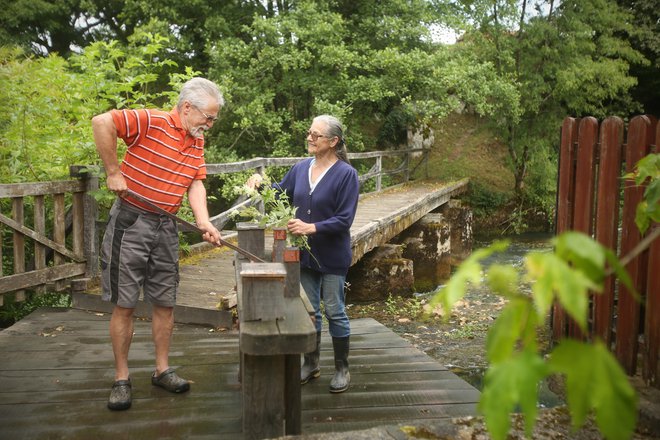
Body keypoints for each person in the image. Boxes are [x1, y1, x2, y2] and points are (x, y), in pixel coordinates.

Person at [92, 77, 224, 411]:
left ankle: (162, 370)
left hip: (166, 225)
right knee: (125, 302)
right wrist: (112, 171)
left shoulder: (196, 141)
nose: (210, 124)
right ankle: (122, 378)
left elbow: (195, 181)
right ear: (186, 107)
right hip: (132, 221)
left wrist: (203, 220)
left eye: (213, 119)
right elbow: (101, 122)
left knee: (165, 300)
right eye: (207, 117)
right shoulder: (151, 120)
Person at [247, 115, 359, 393]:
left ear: (333, 142)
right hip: (306, 255)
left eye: (316, 135)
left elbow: (345, 219)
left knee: (334, 309)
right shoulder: (300, 169)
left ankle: (342, 368)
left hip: (332, 255)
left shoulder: (347, 175)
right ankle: (311, 364)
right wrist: (260, 185)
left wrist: (312, 227)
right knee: (312, 313)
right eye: (309, 132)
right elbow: (279, 193)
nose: (310, 138)